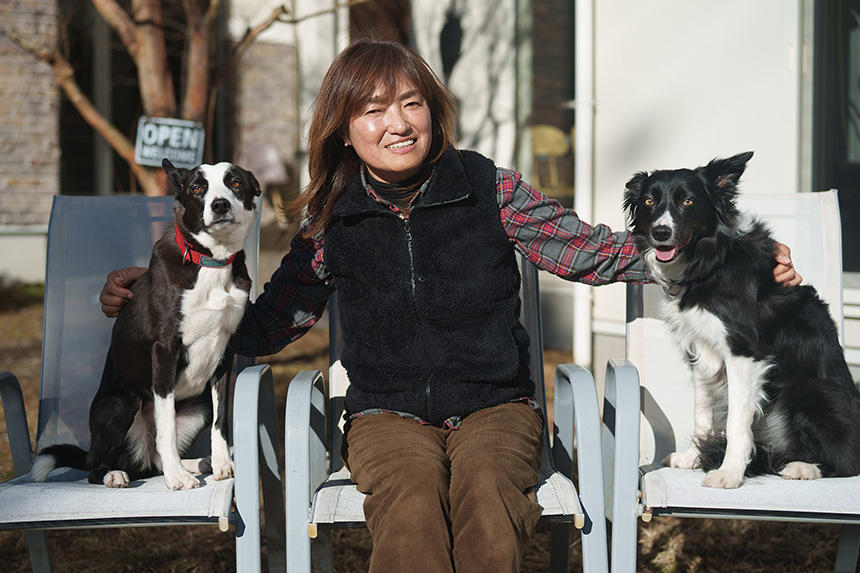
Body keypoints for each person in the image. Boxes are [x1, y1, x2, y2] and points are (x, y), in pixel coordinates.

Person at [100, 40, 801, 572]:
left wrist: (734, 263)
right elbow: (264, 322)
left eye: (411, 103)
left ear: (434, 110)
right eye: (373, 110)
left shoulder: (486, 187)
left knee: (491, 505)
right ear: (345, 129)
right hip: (383, 414)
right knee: (408, 511)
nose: (397, 123)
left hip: (497, 406)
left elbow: (589, 250)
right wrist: (160, 297)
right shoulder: (332, 219)